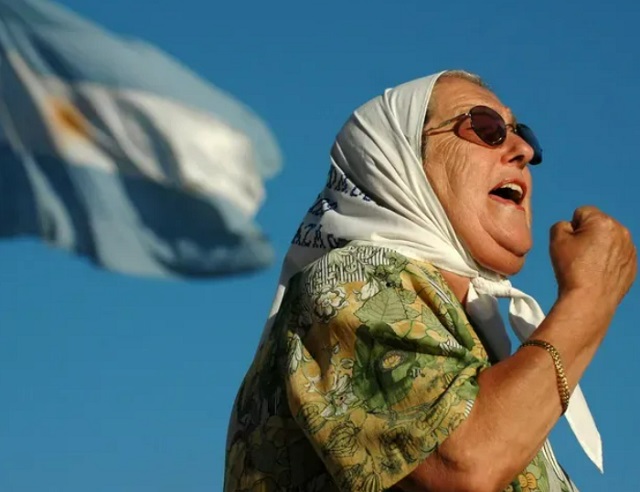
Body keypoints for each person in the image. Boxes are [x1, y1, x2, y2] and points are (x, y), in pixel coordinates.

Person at [224, 70, 637, 492]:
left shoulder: (479, 357)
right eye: (485, 127)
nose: (524, 150)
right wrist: (591, 296)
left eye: (522, 133)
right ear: (400, 162)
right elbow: (466, 465)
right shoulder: (348, 280)